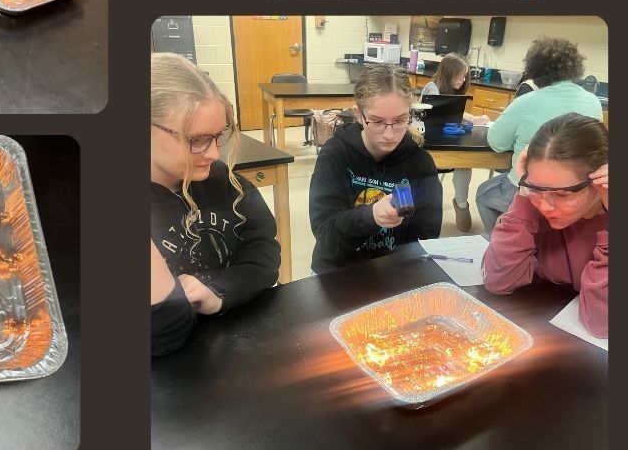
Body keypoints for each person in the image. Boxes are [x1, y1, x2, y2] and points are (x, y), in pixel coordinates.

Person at [150, 53, 280, 356]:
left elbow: (264, 254)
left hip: (237, 341)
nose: (212, 154)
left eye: (218, 136)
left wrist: (219, 292)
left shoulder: (223, 180)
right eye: (195, 139)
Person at [482, 113, 608, 338]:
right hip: (540, 331)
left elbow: (601, 324)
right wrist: (525, 193)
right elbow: (499, 281)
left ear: (599, 181)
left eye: (562, 194)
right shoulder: (534, 205)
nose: (546, 206)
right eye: (537, 189)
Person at [309, 63, 443, 273]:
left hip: (393, 275)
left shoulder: (420, 164)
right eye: (377, 121)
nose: (389, 135)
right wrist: (370, 216)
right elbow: (325, 233)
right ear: (359, 115)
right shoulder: (335, 154)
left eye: (400, 120)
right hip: (336, 273)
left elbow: (424, 238)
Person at [474, 36, 603, 235]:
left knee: (484, 194)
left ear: (535, 70)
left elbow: (497, 142)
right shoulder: (593, 101)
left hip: (531, 186)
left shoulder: (527, 101)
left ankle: (502, 238)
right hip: (578, 189)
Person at [420, 53, 489, 231]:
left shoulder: (453, 91)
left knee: (464, 162)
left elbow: (452, 113)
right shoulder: (432, 88)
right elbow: (441, 110)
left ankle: (461, 203)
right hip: (428, 147)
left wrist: (472, 119)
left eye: (465, 75)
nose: (463, 79)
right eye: (461, 75)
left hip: (448, 142)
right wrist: (472, 118)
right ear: (450, 73)